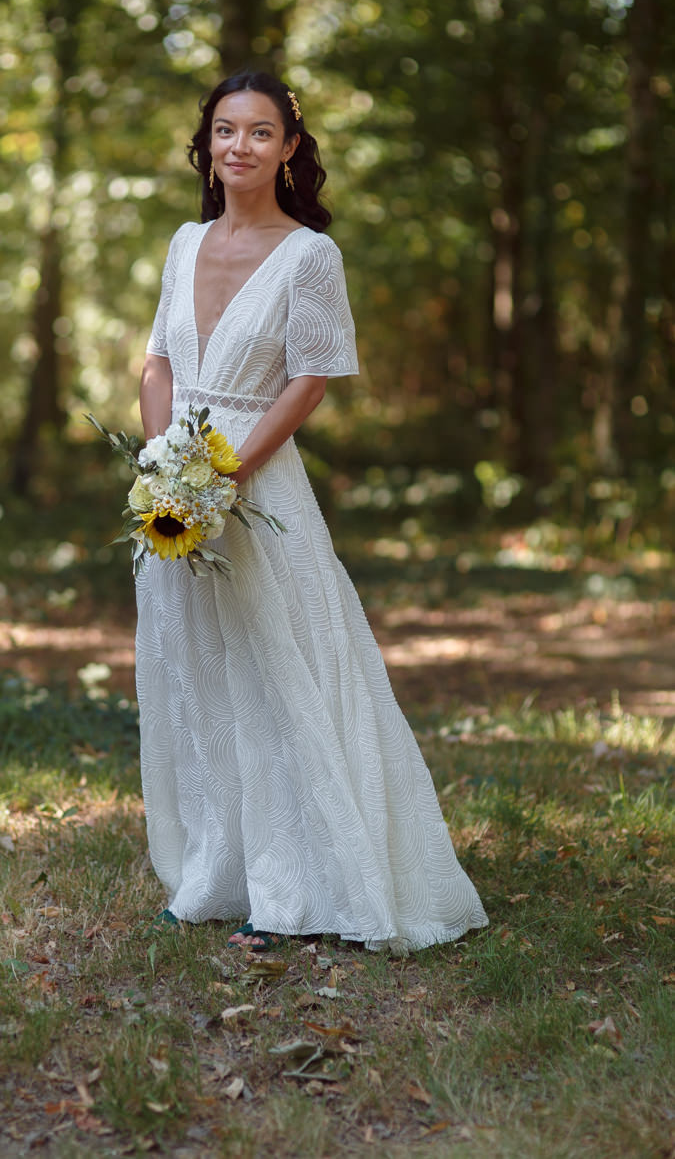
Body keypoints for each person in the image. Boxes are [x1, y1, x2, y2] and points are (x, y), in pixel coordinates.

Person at [136, 70, 488, 953]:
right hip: (173, 494)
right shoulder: (184, 243)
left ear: (289, 149)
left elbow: (311, 378)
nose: (239, 148)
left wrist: (226, 476)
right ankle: (219, 869)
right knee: (198, 676)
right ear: (205, 145)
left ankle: (289, 890)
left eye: (260, 133)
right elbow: (156, 367)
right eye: (224, 131)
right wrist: (165, 469)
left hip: (258, 487)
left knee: (275, 669)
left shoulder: (308, 257)